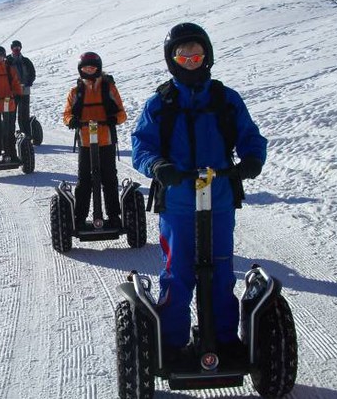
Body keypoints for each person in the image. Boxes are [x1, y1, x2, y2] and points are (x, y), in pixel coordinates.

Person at [131, 23, 267, 361]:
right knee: (178, 275)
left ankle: (223, 340)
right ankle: (173, 343)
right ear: (172, 59)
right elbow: (141, 145)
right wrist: (158, 166)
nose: (191, 60)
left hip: (219, 198)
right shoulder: (160, 103)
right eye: (183, 55)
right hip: (177, 201)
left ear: (207, 56)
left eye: (197, 54)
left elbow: (250, 135)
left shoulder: (225, 99)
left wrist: (252, 157)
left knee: (221, 272)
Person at [63, 52, 127, 229]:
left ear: (98, 68)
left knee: (109, 179)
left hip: (105, 140)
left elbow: (122, 112)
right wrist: (71, 121)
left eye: (92, 68)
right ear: (80, 70)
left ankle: (114, 216)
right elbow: (67, 114)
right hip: (85, 142)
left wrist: (114, 119)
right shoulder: (76, 92)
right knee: (84, 181)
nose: (89, 71)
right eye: (85, 68)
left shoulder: (108, 88)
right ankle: (80, 218)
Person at [5, 40, 36, 136]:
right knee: (10, 114)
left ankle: (26, 135)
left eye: (18, 47)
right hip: (10, 93)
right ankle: (9, 136)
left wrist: (29, 82)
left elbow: (32, 73)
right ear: (11, 49)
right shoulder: (7, 61)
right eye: (15, 48)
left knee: (24, 114)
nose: (17, 49)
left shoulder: (26, 61)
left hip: (25, 91)